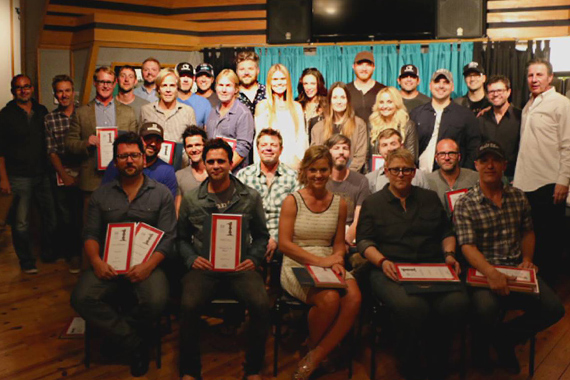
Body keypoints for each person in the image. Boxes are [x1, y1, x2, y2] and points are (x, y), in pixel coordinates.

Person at [71, 132, 176, 378]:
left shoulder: (161, 194)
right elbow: (90, 234)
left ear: (143, 158)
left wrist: (148, 267)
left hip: (147, 265)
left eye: (134, 155)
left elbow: (168, 237)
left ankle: (117, 334)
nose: (129, 161)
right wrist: (96, 262)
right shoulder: (101, 194)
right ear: (115, 161)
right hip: (107, 264)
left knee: (157, 300)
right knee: (80, 298)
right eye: (123, 156)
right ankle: (134, 342)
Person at [454, 141, 564, 374]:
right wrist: (491, 273)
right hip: (483, 272)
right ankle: (480, 352)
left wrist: (527, 258)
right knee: (485, 309)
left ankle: (505, 338)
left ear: (505, 165)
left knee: (554, 309)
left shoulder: (518, 197)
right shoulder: (466, 203)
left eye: (495, 160)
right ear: (476, 165)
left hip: (516, 268)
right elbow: (467, 247)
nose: (490, 165)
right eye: (484, 160)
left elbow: (527, 231)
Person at [357, 148, 468, 380]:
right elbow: (364, 241)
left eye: (406, 170)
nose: (401, 174)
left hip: (432, 266)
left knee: (456, 302)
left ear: (413, 172)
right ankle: (409, 362)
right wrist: (382, 261)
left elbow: (446, 232)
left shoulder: (428, 198)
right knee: (412, 307)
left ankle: (438, 360)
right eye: (395, 169)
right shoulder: (373, 203)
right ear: (386, 171)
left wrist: (449, 255)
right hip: (389, 268)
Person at [178, 138, 270, 380]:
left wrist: (253, 258)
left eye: (221, 161)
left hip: (241, 267)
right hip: (203, 267)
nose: (216, 166)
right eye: (211, 162)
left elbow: (262, 236)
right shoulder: (190, 199)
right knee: (187, 305)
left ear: (231, 163)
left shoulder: (250, 196)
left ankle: (253, 368)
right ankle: (189, 370)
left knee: (262, 304)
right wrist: (191, 259)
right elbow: (180, 239)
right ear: (204, 164)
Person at [278, 145, 361, 379]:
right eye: (313, 169)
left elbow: (337, 244)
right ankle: (321, 354)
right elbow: (284, 245)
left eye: (323, 169)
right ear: (305, 170)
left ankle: (315, 354)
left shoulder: (340, 203)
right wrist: (320, 261)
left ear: (330, 170)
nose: (318, 175)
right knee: (329, 299)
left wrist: (336, 261)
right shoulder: (292, 201)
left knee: (354, 297)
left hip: (328, 259)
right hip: (296, 261)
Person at [513, 58, 570, 282]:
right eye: (530, 75)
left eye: (539, 75)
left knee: (549, 239)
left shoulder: (561, 104)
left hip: (548, 182)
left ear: (550, 77)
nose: (534, 79)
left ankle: (549, 289)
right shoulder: (528, 104)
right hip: (525, 182)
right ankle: (531, 284)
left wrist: (563, 180)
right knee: (528, 237)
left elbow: (568, 144)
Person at [0, 74, 56, 273]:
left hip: (43, 174)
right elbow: (0, 151)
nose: (23, 90)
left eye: (26, 86)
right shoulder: (5, 115)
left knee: (50, 216)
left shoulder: (42, 111)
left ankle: (48, 253)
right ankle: (26, 261)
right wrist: (4, 179)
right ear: (13, 91)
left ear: (32, 89)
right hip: (18, 176)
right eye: (18, 87)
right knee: (21, 222)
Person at [65, 66, 137, 202]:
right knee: (91, 221)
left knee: (118, 221)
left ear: (114, 84)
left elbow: (135, 143)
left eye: (109, 82)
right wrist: (86, 143)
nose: (105, 86)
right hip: (91, 178)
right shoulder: (81, 113)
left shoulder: (128, 112)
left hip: (121, 177)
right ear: (95, 83)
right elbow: (70, 143)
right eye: (102, 82)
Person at [237, 128, 300, 263]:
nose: (268, 149)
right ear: (258, 149)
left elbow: (297, 215)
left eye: (273, 145)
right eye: (264, 145)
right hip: (250, 239)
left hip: (284, 239)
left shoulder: (293, 177)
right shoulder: (243, 176)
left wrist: (276, 239)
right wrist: (259, 242)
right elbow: (239, 214)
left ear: (281, 149)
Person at [44, 74, 82, 273]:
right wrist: (65, 176)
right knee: (66, 218)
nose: (64, 94)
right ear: (55, 94)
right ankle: (73, 254)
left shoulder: (84, 112)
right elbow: (51, 151)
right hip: (62, 175)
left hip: (85, 173)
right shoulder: (50, 119)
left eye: (67, 90)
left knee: (84, 216)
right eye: (60, 91)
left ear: (73, 92)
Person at [411, 68, 481, 172]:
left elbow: (473, 149)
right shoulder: (416, 114)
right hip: (419, 177)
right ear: (430, 86)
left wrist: (463, 175)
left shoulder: (466, 115)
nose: (441, 86)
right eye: (437, 82)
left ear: (452, 87)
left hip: (452, 180)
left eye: (446, 82)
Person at [102, 122, 177, 198]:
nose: (153, 144)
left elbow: (168, 203)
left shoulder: (167, 171)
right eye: (148, 139)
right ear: (139, 139)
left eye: (157, 141)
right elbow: (104, 194)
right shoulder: (120, 163)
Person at [255, 63, 307, 170]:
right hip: (269, 165)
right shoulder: (262, 106)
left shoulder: (296, 107)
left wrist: (299, 161)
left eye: (283, 79)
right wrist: (259, 167)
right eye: (275, 79)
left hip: (293, 166)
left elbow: (302, 137)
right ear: (269, 82)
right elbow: (258, 140)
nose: (279, 82)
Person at [324, 135, 370, 247]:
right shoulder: (321, 179)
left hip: (351, 237)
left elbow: (359, 218)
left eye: (345, 148)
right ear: (328, 152)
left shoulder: (361, 181)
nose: (341, 152)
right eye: (336, 148)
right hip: (325, 235)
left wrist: (347, 240)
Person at [311, 82, 368, 172]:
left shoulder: (359, 124)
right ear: (330, 101)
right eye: (335, 98)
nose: (339, 101)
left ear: (347, 100)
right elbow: (315, 157)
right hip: (325, 178)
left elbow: (360, 156)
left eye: (342, 97)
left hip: (351, 177)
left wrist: (345, 176)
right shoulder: (318, 128)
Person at [205, 69, 254, 172]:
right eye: (221, 85)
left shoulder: (243, 113)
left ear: (236, 89)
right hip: (213, 172)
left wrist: (223, 170)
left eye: (228, 86)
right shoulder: (213, 112)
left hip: (234, 174)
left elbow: (242, 149)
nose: (224, 90)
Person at [479, 75, 521, 179]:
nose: (496, 94)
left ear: (508, 92)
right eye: (491, 91)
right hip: (488, 175)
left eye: (500, 90)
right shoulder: (481, 118)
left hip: (514, 176)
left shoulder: (521, 117)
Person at [140, 68, 196, 143]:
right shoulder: (146, 110)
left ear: (177, 88)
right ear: (158, 89)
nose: (168, 90)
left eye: (172, 85)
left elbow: (193, 142)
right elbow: (140, 141)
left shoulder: (188, 111)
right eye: (164, 85)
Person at [366, 129, 430, 193]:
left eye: (393, 144)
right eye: (384, 145)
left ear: (401, 146)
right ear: (379, 150)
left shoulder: (419, 175)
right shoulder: (370, 179)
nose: (389, 149)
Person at [426, 138, 479, 216]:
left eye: (451, 153)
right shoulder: (427, 181)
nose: (447, 158)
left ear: (459, 156)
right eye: (442, 154)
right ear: (436, 158)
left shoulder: (475, 178)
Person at [369, 86, 419, 160]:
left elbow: (411, 157)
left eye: (389, 102)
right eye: (381, 102)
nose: (385, 106)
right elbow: (367, 156)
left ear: (397, 103)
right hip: (376, 170)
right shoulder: (372, 124)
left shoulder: (408, 125)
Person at [175, 126, 208, 212]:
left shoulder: (216, 172)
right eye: (189, 146)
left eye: (198, 145)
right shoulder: (179, 176)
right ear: (185, 149)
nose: (193, 149)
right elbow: (178, 210)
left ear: (205, 146)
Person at [346, 50, 385, 123]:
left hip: (378, 133)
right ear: (353, 66)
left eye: (368, 65)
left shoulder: (384, 91)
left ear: (374, 67)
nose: (364, 69)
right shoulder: (345, 91)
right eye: (360, 64)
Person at [176, 62, 212, 127]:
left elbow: (208, 131)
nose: (186, 80)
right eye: (182, 76)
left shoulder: (204, 103)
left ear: (193, 79)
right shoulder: (169, 100)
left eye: (189, 76)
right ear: (175, 78)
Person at [296, 67, 328, 132]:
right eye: (305, 83)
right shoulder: (297, 104)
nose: (309, 87)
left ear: (319, 85)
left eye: (312, 83)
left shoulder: (327, 105)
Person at [236, 50, 266, 116]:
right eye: (242, 69)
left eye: (250, 69)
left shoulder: (268, 92)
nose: (246, 72)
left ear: (258, 71)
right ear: (237, 72)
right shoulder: (232, 94)